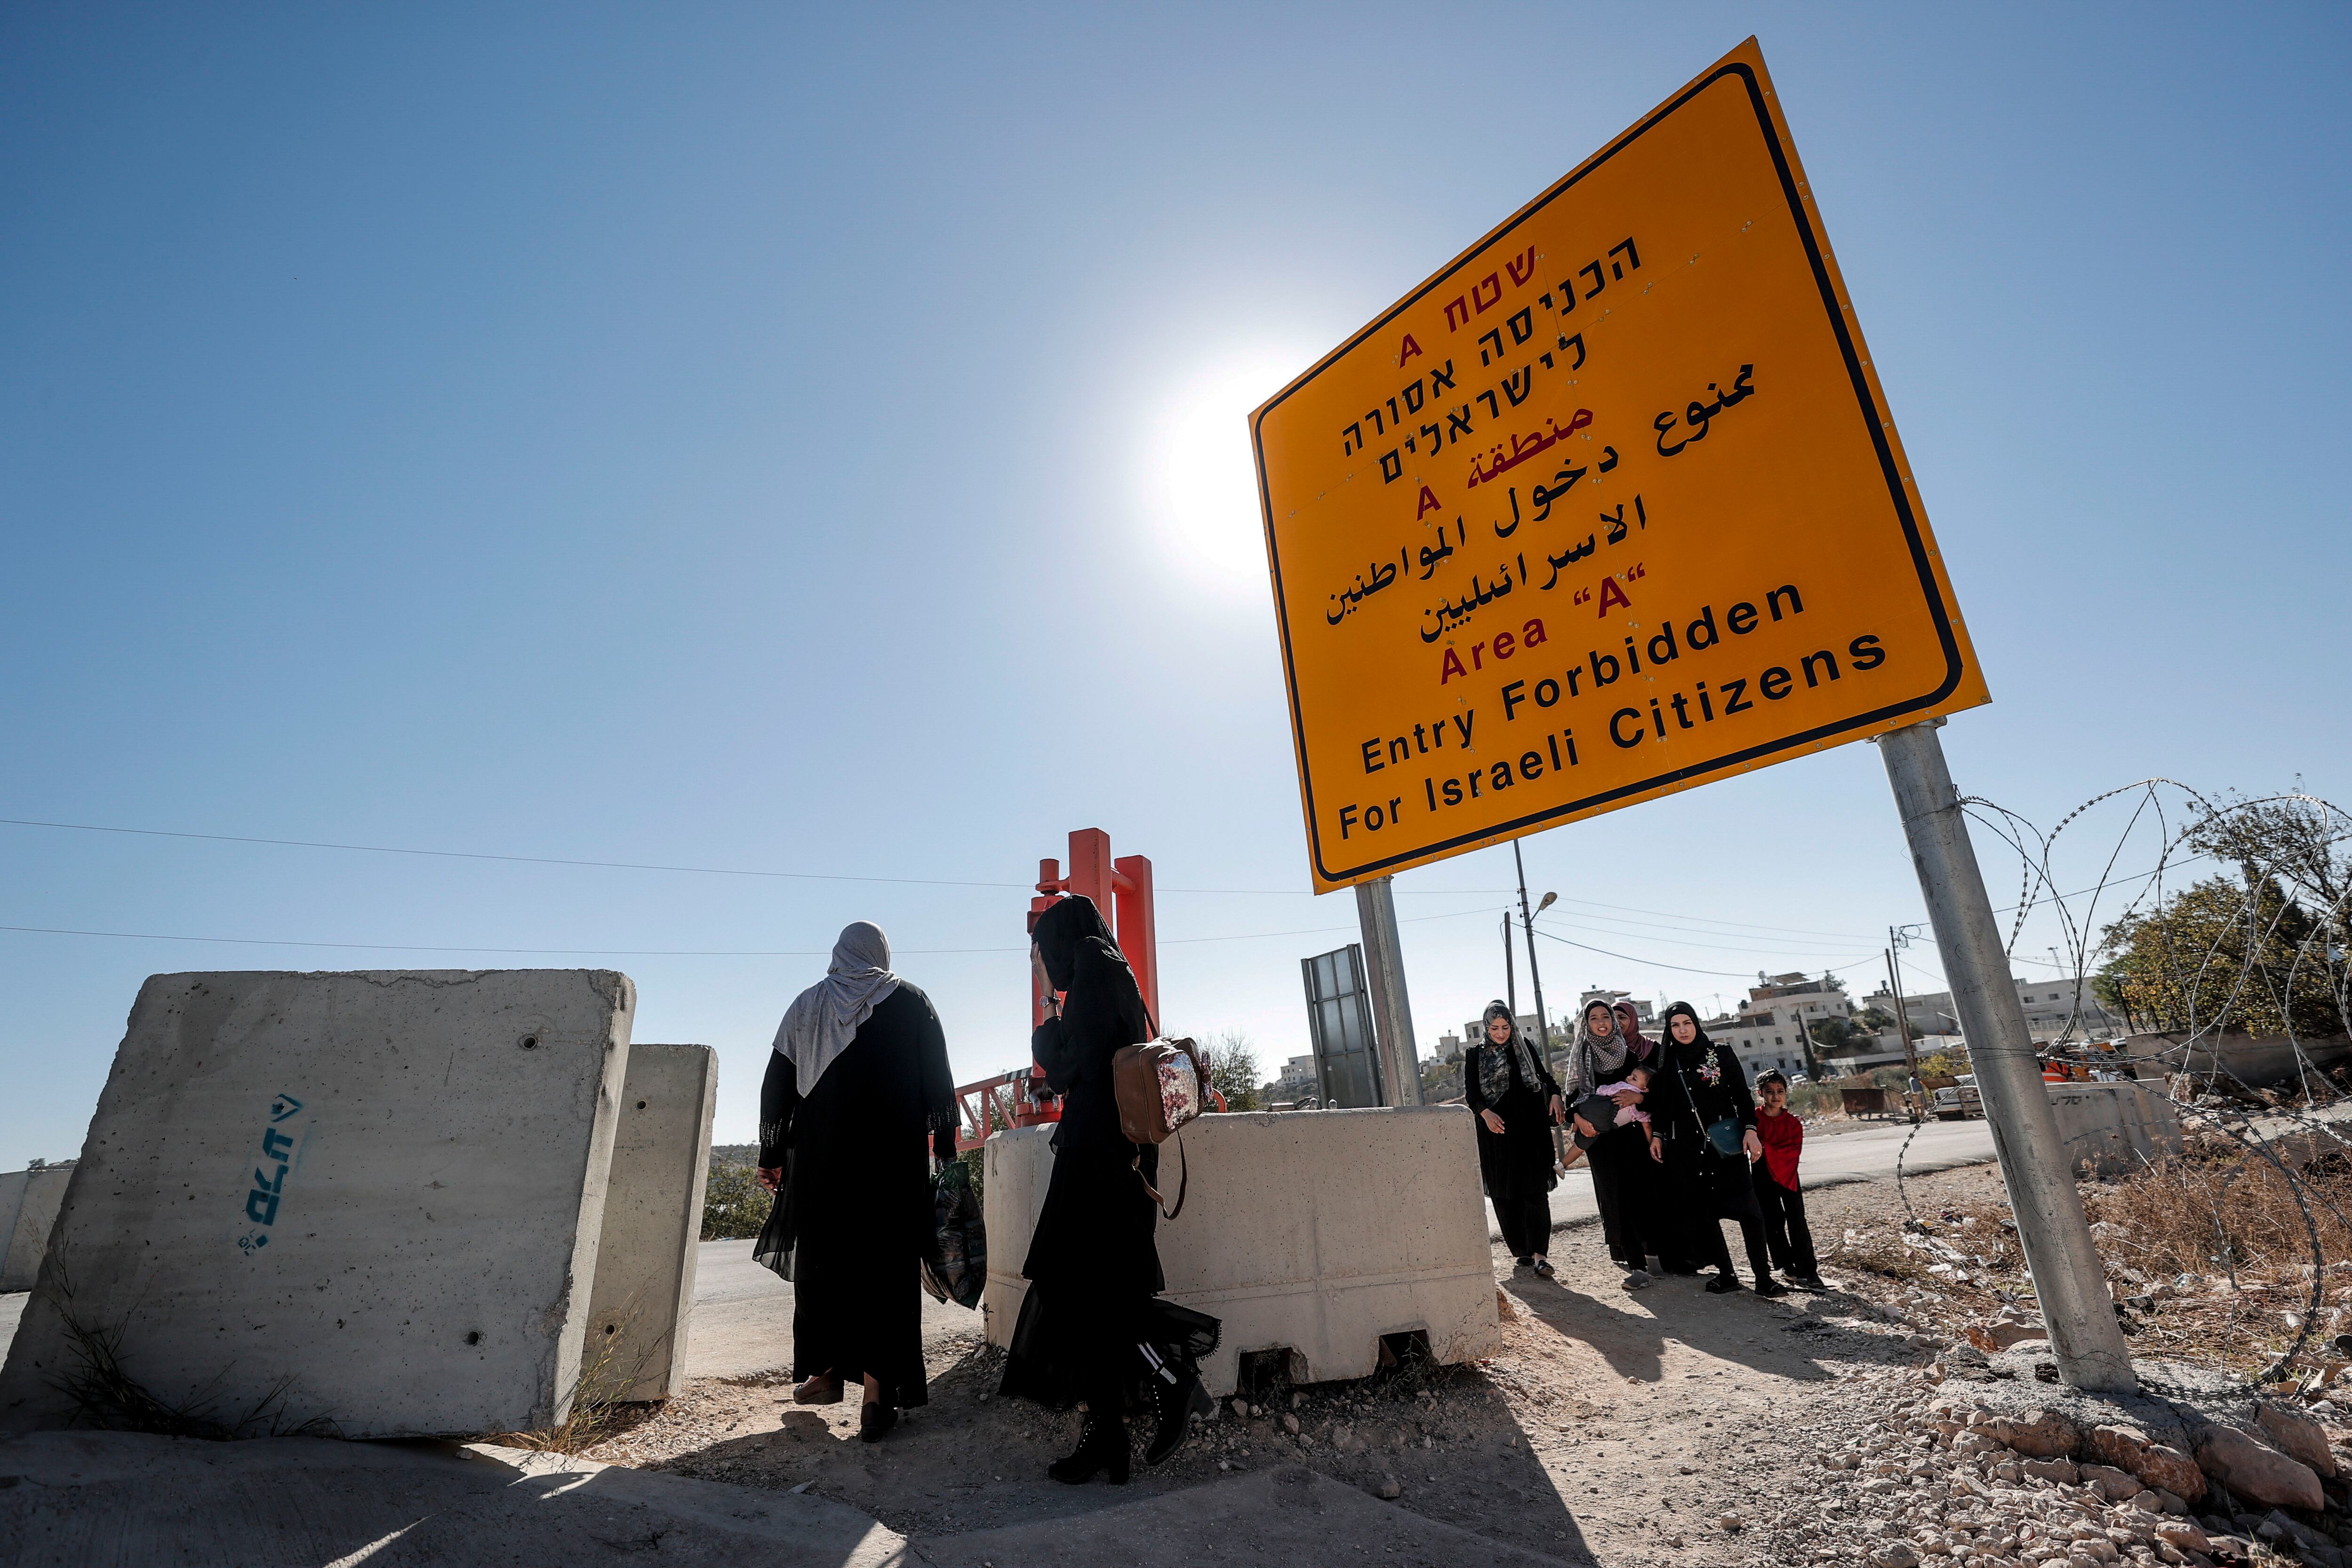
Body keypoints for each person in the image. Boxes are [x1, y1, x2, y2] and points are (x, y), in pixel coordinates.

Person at [998, 895, 1213, 1483]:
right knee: (1090, 1293)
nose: (1043, 961)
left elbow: (1070, 1064)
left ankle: (1172, 1381)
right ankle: (1108, 1435)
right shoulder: (1110, 967)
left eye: (1042, 951)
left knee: (1084, 1291)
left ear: (1062, 939)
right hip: (1111, 1155)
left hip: (1100, 1158)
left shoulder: (1093, 968)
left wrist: (1046, 1020)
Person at [754, 921, 957, 1441]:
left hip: (825, 1168)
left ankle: (824, 1372)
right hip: (893, 1169)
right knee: (886, 1275)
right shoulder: (913, 1002)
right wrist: (947, 1153)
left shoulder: (806, 1006)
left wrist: (772, 1154)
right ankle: (874, 1398)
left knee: (825, 1266)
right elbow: (939, 1084)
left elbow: (776, 1085)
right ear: (882, 953)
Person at [1645, 1002, 1782, 1296]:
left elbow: (1741, 1097)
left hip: (1727, 1148)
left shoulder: (1720, 1054)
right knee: (1705, 1214)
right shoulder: (1667, 1062)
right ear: (1669, 1030)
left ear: (1696, 1023)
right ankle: (1727, 1274)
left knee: (1749, 1211)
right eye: (1675, 1025)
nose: (1682, 1030)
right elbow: (1662, 1106)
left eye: (1687, 1023)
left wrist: (1751, 1130)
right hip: (1687, 1151)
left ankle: (1763, 1278)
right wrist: (1657, 1135)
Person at [1464, 1001, 1566, 1275]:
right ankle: (1522, 1251)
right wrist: (1485, 1114)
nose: (1501, 1033)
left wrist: (1555, 1094)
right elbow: (1472, 1094)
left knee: (1535, 1192)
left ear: (1512, 1026)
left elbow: (1545, 1078)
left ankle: (1540, 1255)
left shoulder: (1525, 1047)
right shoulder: (1475, 1055)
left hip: (1532, 1132)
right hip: (1497, 1134)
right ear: (1486, 1027)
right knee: (1505, 1195)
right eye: (1495, 1028)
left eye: (1506, 1027)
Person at [1563, 998, 1658, 1287]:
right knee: (1614, 1199)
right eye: (1594, 1018)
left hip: (1630, 1139)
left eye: (1606, 1017)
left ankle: (1652, 1254)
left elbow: (1651, 1092)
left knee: (1637, 1195)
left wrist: (1639, 1098)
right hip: (1599, 1140)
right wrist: (1577, 1119)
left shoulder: (1629, 1057)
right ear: (1586, 1024)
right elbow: (1572, 1099)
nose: (1602, 1022)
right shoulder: (1581, 1057)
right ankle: (1637, 1266)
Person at [1751, 1069, 1826, 1290]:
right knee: (1772, 1221)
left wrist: (1765, 1147)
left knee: (1798, 1221)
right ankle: (1786, 1265)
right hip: (1762, 1175)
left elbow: (1793, 1151)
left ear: (1786, 1093)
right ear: (1761, 1094)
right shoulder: (1753, 1118)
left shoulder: (1793, 1123)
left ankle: (1810, 1270)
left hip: (1788, 1175)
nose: (1776, 1096)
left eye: (1780, 1091)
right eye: (1770, 1092)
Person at [1568, 1061, 1653, 1154]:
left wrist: (1639, 1099)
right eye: (1630, 1075)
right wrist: (1651, 1144)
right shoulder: (1584, 1058)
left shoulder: (1628, 1067)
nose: (1628, 1078)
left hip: (1621, 1139)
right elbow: (1574, 1099)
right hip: (1597, 1134)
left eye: (1633, 1078)